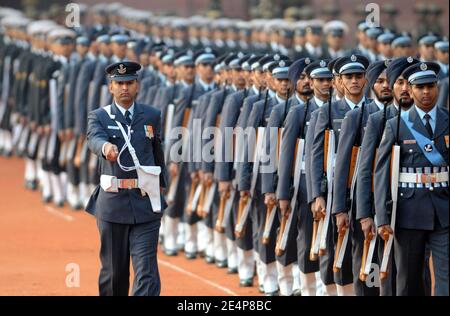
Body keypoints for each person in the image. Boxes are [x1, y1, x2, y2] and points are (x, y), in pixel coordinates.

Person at [86, 61, 167, 296]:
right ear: (111, 87)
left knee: (146, 272)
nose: (124, 88)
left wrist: (161, 188)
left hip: (145, 202)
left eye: (129, 83)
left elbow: (156, 152)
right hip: (113, 205)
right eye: (119, 83)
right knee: (114, 273)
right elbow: (94, 139)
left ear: (137, 86)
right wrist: (105, 148)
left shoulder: (152, 115)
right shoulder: (99, 116)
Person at [374, 61, 449, 296]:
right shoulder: (396, 125)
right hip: (408, 213)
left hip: (444, 212)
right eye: (420, 87)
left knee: (446, 278)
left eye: (430, 86)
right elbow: (381, 173)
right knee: (408, 280)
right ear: (410, 89)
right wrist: (382, 217)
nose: (426, 92)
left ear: (437, 87)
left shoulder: (448, 120)